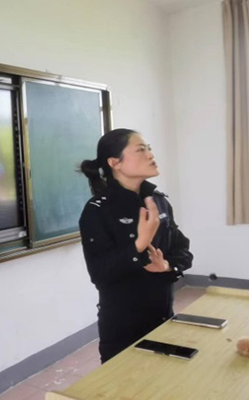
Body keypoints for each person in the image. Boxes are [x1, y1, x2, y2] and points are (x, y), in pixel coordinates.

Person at [78, 128, 193, 363]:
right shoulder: (97, 210)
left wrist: (167, 266)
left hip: (163, 315)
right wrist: (139, 244)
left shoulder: (158, 201)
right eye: (141, 150)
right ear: (114, 163)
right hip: (123, 326)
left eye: (149, 148)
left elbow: (183, 251)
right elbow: (100, 274)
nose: (151, 154)